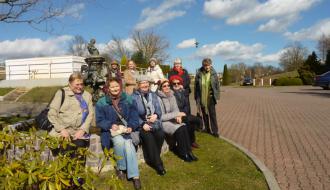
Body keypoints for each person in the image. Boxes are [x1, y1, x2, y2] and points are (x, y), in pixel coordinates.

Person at [95, 78, 141, 190]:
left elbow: (135, 116)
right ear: (108, 88)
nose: (115, 88)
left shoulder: (128, 99)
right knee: (120, 142)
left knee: (129, 145)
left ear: (120, 86)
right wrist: (110, 125)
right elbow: (99, 120)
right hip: (111, 131)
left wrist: (131, 126)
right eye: (112, 87)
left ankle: (135, 176)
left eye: (117, 86)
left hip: (125, 129)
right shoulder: (102, 102)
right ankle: (121, 167)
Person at [48, 72, 94, 159]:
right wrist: (61, 129)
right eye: (77, 84)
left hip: (78, 131)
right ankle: (66, 171)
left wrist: (83, 130)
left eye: (81, 84)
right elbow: (52, 113)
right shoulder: (61, 93)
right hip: (63, 131)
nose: (80, 87)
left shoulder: (87, 95)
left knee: (80, 148)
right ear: (70, 83)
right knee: (66, 149)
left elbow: (90, 114)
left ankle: (79, 172)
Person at [131, 75, 166, 175]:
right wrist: (142, 124)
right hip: (142, 124)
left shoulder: (153, 95)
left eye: (147, 83)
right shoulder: (133, 97)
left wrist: (156, 115)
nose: (145, 85)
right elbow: (132, 115)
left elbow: (158, 109)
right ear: (138, 85)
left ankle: (153, 158)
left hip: (154, 122)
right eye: (142, 83)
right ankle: (159, 165)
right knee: (149, 138)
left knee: (160, 135)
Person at [157, 79, 198, 162]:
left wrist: (178, 116)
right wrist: (177, 115)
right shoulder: (158, 98)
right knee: (179, 129)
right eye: (164, 86)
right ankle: (183, 153)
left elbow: (175, 109)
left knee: (183, 126)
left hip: (172, 119)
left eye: (168, 85)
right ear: (160, 88)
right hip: (164, 122)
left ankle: (189, 151)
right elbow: (161, 117)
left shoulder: (172, 95)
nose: (167, 87)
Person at [169, 75, 201, 148]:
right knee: (188, 122)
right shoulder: (171, 94)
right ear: (171, 84)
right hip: (176, 115)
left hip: (184, 113)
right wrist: (180, 114)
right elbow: (175, 107)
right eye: (174, 83)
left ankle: (192, 140)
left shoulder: (182, 92)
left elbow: (186, 105)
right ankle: (189, 143)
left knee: (197, 120)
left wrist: (186, 113)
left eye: (178, 83)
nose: (176, 85)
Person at [194, 58, 220, 138]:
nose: (207, 67)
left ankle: (215, 131)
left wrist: (217, 97)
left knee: (212, 114)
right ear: (203, 65)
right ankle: (207, 129)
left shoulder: (214, 73)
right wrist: (196, 98)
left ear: (211, 65)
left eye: (208, 65)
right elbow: (196, 87)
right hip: (201, 97)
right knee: (204, 114)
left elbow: (217, 86)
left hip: (211, 97)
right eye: (205, 65)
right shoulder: (199, 73)